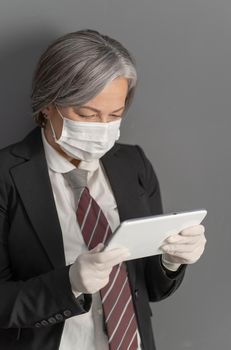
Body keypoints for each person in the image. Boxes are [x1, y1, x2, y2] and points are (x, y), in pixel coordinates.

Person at [0, 29, 206, 350]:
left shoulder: (133, 163)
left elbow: (149, 287)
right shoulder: (5, 176)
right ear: (47, 105)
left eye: (114, 115)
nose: (101, 129)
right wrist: (68, 284)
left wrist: (171, 261)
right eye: (86, 114)